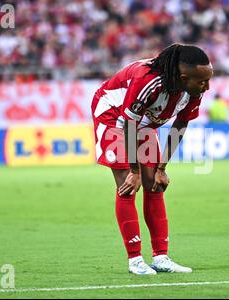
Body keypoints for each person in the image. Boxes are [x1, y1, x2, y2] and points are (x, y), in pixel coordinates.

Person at [91, 44, 213, 275]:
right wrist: (134, 171)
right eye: (202, 82)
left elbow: (180, 124)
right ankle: (135, 260)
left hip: (143, 122)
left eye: (208, 80)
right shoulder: (148, 80)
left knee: (155, 185)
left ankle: (161, 257)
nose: (207, 86)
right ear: (184, 77)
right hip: (114, 117)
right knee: (127, 186)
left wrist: (161, 168)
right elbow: (128, 122)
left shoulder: (193, 89)